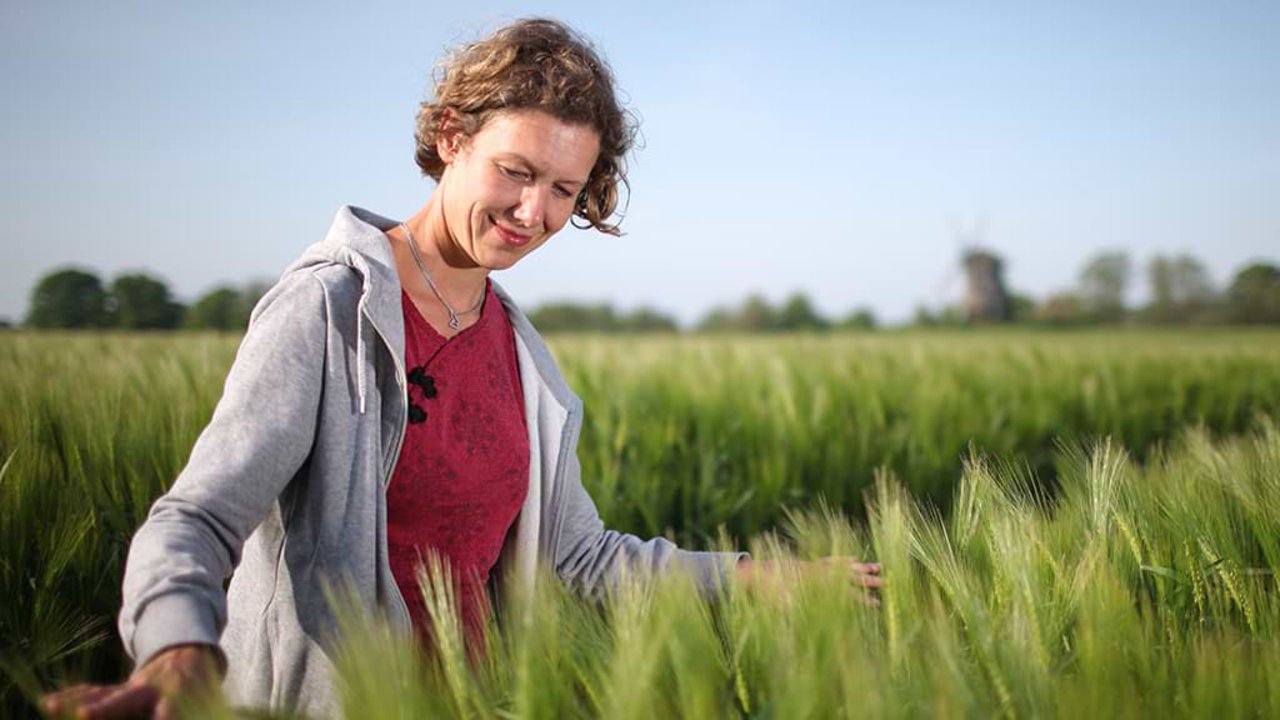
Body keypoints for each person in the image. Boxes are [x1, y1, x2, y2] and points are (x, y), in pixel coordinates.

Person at [42, 18, 881, 719]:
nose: (533, 213)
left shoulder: (523, 356)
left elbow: (578, 560)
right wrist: (179, 648)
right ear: (452, 136)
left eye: (564, 188)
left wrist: (759, 578)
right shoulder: (330, 311)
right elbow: (197, 516)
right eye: (515, 172)